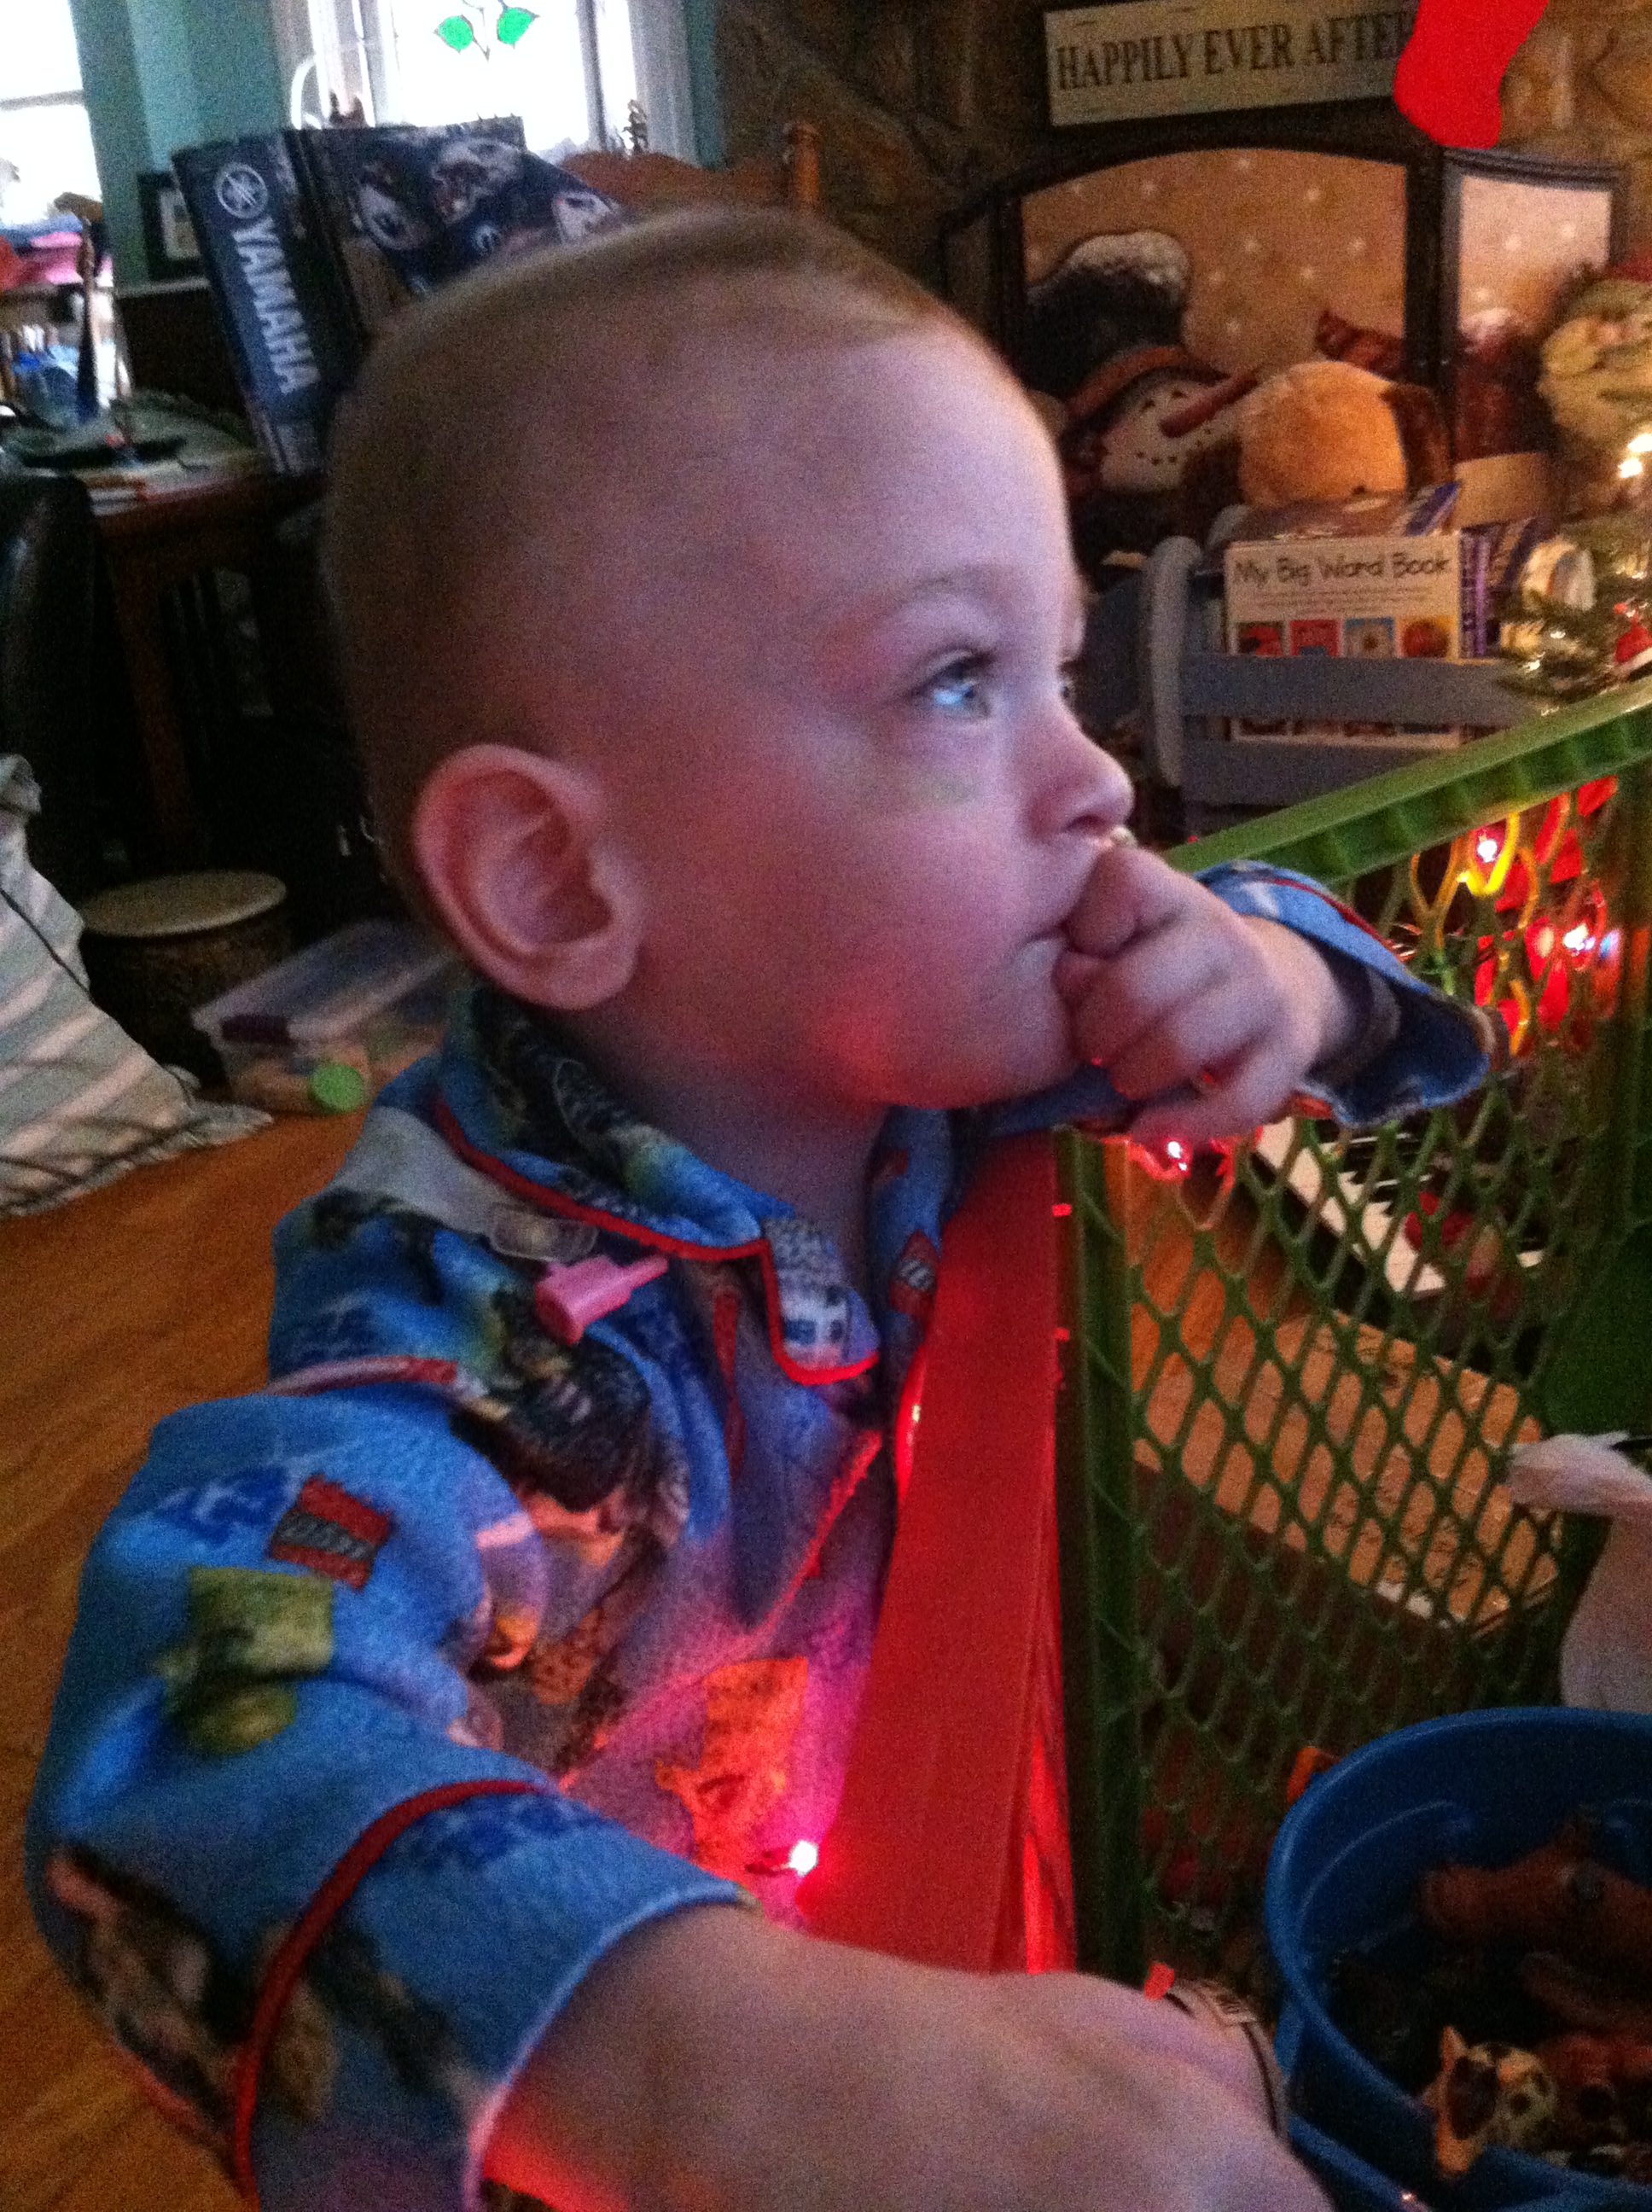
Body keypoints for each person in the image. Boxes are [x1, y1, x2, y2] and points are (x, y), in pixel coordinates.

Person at [28, 209, 1492, 2212]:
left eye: (1059, 671)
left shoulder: (904, 1040)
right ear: (555, 882)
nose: (1098, 786)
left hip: (919, 1880)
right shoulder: (472, 1330)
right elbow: (191, 1750)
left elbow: (1316, 975)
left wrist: (1282, 979)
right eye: (957, 679)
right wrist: (733, 2076)